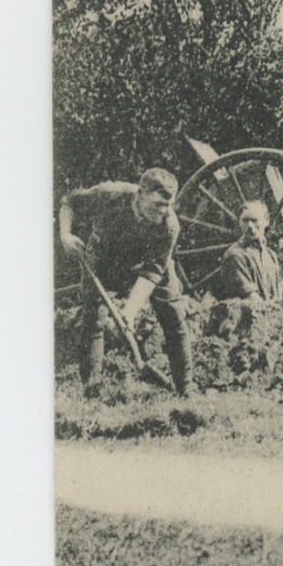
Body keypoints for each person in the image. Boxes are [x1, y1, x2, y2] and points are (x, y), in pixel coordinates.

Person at [58, 168, 191, 397]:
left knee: (174, 317)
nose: (163, 211)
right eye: (157, 204)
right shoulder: (109, 195)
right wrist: (65, 235)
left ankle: (186, 390)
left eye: (167, 206)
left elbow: (153, 271)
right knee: (93, 320)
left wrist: (129, 311)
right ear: (139, 194)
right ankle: (92, 391)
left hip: (148, 265)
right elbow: (69, 202)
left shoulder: (170, 226)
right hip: (104, 262)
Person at [211, 200, 282, 301]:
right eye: (245, 220)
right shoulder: (235, 255)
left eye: (254, 220)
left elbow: (278, 293)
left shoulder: (271, 255)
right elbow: (251, 297)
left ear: (267, 221)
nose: (249, 225)